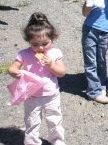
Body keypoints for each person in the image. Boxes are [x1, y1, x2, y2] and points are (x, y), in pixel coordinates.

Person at [8, 12, 66, 144]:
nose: (40, 48)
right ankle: (32, 142)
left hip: (51, 95)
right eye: (35, 44)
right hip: (32, 96)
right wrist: (15, 72)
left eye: (45, 43)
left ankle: (57, 141)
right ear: (29, 41)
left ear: (52, 39)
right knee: (32, 122)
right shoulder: (24, 54)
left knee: (55, 120)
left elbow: (62, 72)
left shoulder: (54, 53)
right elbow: (12, 68)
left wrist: (51, 65)